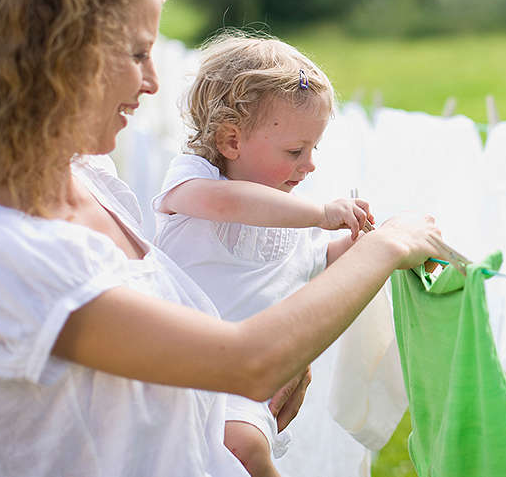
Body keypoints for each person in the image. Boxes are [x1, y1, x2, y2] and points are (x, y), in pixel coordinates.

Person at [0, 0, 443, 477]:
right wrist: (385, 247)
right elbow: (246, 360)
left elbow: (172, 356)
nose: (154, 82)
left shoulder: (87, 176)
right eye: (138, 53)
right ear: (64, 56)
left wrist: (265, 372)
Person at [151, 33, 374, 477]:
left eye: (314, 149)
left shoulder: (287, 212)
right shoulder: (193, 181)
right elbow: (229, 203)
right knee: (242, 449)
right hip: (180, 367)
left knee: (243, 445)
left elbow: (316, 262)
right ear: (231, 141)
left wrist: (359, 245)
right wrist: (320, 213)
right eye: (295, 151)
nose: (309, 165)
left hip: (246, 382)